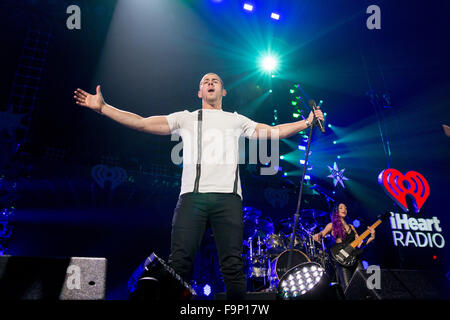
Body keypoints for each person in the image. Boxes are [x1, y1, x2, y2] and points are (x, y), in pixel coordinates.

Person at [74, 73, 324, 299]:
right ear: (199, 92)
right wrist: (103, 108)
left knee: (233, 265)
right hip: (192, 198)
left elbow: (273, 131)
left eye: (216, 81)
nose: (211, 83)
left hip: (228, 198)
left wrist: (306, 122)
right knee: (179, 264)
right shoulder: (186, 118)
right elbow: (141, 123)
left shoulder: (235, 120)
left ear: (223, 92)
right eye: (205, 81)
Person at [313, 203, 375, 292]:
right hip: (342, 260)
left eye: (345, 208)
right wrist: (317, 235)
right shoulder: (332, 225)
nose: (344, 209)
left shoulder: (352, 227)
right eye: (341, 208)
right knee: (348, 288)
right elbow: (322, 233)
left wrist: (372, 237)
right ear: (336, 211)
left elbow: (360, 244)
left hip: (355, 259)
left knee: (363, 285)